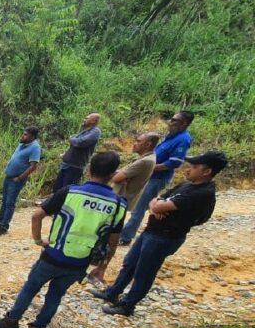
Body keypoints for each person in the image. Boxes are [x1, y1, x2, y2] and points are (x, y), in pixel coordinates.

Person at [0, 151, 126, 328]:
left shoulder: (71, 192)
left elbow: (37, 215)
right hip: (80, 262)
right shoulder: (118, 204)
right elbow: (113, 242)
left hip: (53, 255)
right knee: (56, 295)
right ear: (114, 174)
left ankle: (11, 321)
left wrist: (39, 240)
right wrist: (103, 266)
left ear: (89, 169)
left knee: (30, 288)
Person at [92, 151, 226, 316]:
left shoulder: (202, 193)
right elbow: (156, 199)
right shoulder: (187, 185)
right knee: (130, 263)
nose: (188, 169)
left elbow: (157, 206)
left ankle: (128, 305)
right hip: (152, 231)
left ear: (207, 172)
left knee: (144, 272)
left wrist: (158, 206)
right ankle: (113, 293)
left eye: (194, 167)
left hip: (165, 237)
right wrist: (159, 204)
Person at [87, 131, 159, 285]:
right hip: (120, 200)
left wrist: (119, 175)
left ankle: (100, 270)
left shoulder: (144, 161)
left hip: (118, 202)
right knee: (106, 236)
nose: (135, 143)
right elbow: (120, 175)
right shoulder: (147, 159)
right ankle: (98, 267)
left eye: (138, 141)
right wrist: (121, 175)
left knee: (109, 238)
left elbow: (116, 177)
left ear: (148, 144)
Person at [119, 111, 194, 245]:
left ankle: (125, 237)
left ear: (184, 123)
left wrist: (149, 167)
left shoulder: (183, 139)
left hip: (158, 178)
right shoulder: (172, 136)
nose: (170, 122)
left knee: (139, 207)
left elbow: (175, 162)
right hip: (150, 176)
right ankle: (124, 234)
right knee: (136, 204)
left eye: (174, 120)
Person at [0, 126, 42, 236]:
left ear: (32, 137)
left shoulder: (35, 147)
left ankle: (4, 226)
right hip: (9, 177)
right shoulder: (22, 144)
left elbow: (33, 166)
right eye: (23, 134)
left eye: (25, 134)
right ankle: (0, 222)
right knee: (4, 201)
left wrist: (20, 178)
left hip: (16, 179)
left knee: (10, 203)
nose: (23, 136)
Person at [52, 113, 101, 191]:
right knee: (57, 188)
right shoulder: (85, 130)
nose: (84, 120)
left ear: (93, 121)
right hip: (67, 164)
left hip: (75, 166)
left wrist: (71, 139)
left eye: (86, 118)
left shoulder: (95, 131)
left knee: (66, 191)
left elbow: (80, 142)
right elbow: (75, 144)